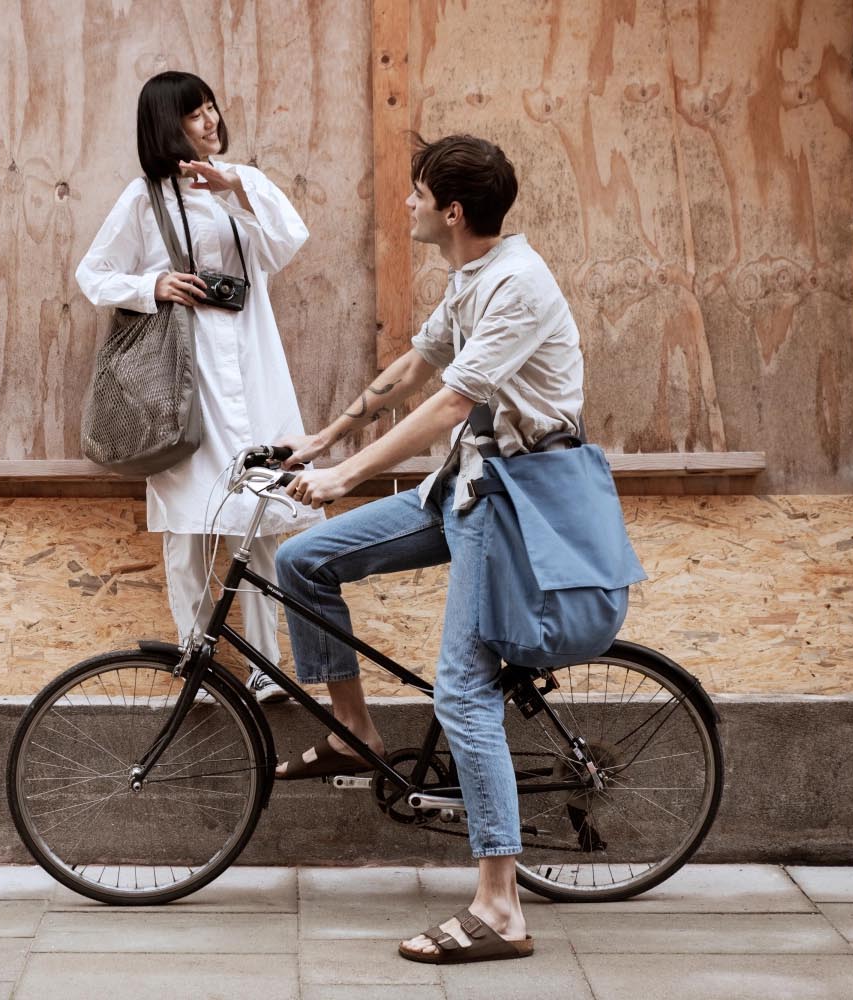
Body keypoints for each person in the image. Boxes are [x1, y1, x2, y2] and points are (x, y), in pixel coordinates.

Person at [275, 133, 585, 965]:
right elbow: (417, 364)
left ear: (451, 211)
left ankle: (501, 908)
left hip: (511, 502)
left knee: (462, 693)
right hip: (461, 488)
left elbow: (451, 402)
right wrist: (323, 439)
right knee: (302, 562)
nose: (406, 204)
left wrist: (345, 477)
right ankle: (355, 731)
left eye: (416, 193)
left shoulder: (518, 285)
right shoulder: (471, 276)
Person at [75, 71, 323, 704]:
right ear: (168, 125)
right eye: (194, 114)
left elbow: (286, 243)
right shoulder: (145, 198)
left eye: (212, 108)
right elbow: (93, 273)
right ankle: (196, 661)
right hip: (183, 381)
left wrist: (236, 187)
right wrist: (150, 286)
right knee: (187, 527)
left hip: (252, 363)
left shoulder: (243, 183)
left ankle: (266, 666)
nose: (210, 121)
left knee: (258, 518)